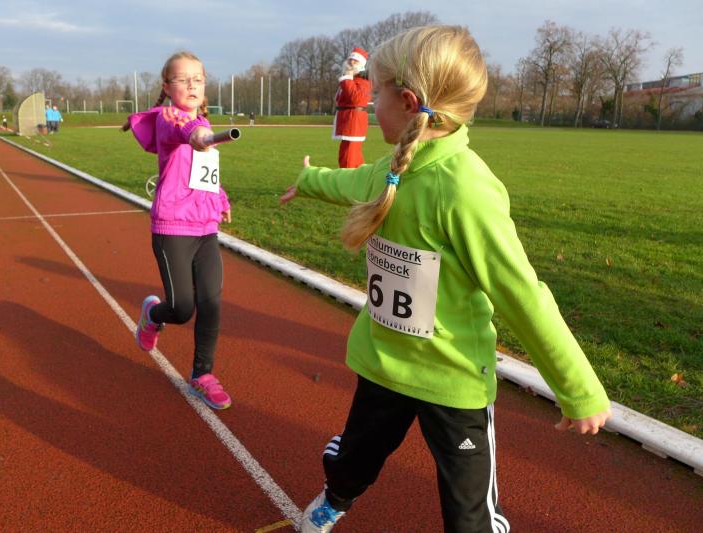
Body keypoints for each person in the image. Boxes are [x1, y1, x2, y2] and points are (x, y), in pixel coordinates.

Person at [280, 26, 612, 532]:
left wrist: (579, 389)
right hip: (383, 366)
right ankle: (336, 494)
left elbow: (521, 293)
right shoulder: (392, 168)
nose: (369, 105)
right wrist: (308, 180)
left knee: (469, 517)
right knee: (350, 468)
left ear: (407, 102)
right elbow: (349, 183)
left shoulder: (466, 189)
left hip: (453, 382)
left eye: (376, 93)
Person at [123, 50, 233, 410]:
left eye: (197, 79)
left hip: (206, 229)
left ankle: (203, 374)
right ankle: (153, 315)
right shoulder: (168, 118)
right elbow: (183, 129)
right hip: (172, 228)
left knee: (211, 302)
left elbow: (206, 173)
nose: (192, 85)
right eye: (183, 80)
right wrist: (197, 133)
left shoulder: (203, 122)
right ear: (167, 87)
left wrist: (221, 199)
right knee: (182, 308)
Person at [332, 47, 372, 168]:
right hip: (348, 119)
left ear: (361, 64)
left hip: (353, 121)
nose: (351, 62)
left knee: (348, 156)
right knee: (350, 154)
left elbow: (356, 99)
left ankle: (348, 178)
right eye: (350, 59)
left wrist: (347, 79)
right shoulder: (352, 80)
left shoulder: (362, 81)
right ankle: (360, 177)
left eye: (355, 60)